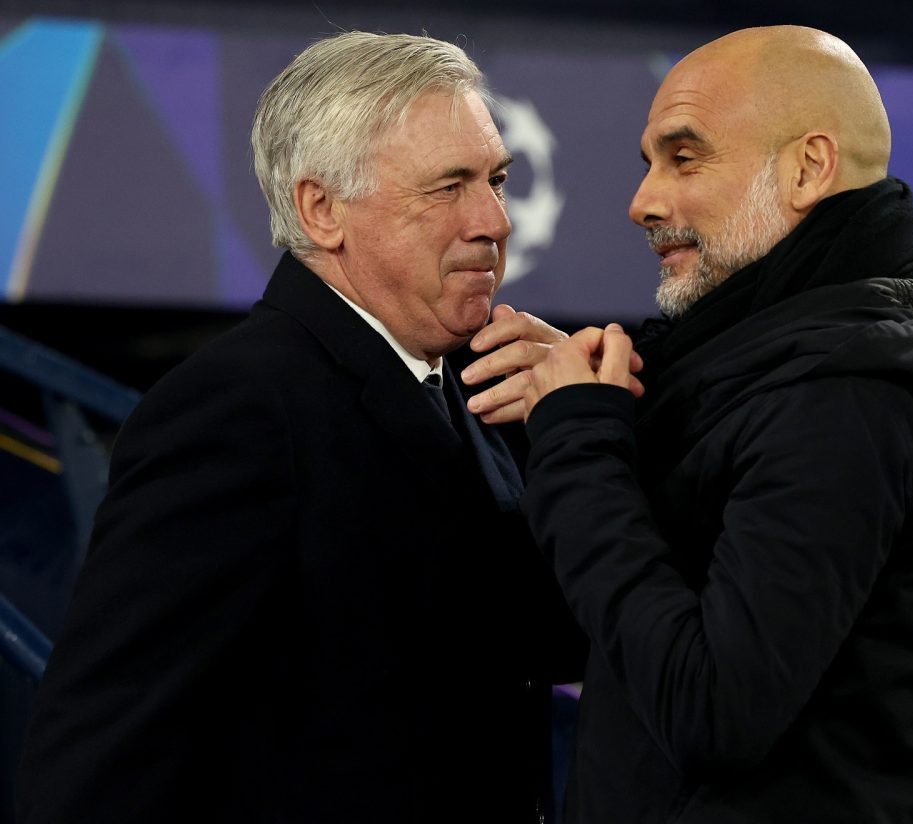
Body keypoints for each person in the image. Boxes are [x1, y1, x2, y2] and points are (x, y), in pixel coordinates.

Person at [474, 25, 913, 824]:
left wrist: (581, 445)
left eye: (685, 158)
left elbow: (710, 713)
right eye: (649, 163)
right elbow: (625, 625)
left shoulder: (845, 406)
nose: (643, 202)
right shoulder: (779, 369)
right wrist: (607, 398)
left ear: (808, 168)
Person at [17, 32, 581, 823]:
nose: (494, 219)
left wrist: (591, 430)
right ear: (322, 210)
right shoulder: (235, 410)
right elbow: (104, 750)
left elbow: (538, 638)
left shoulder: (470, 385)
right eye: (449, 186)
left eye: (496, 179)